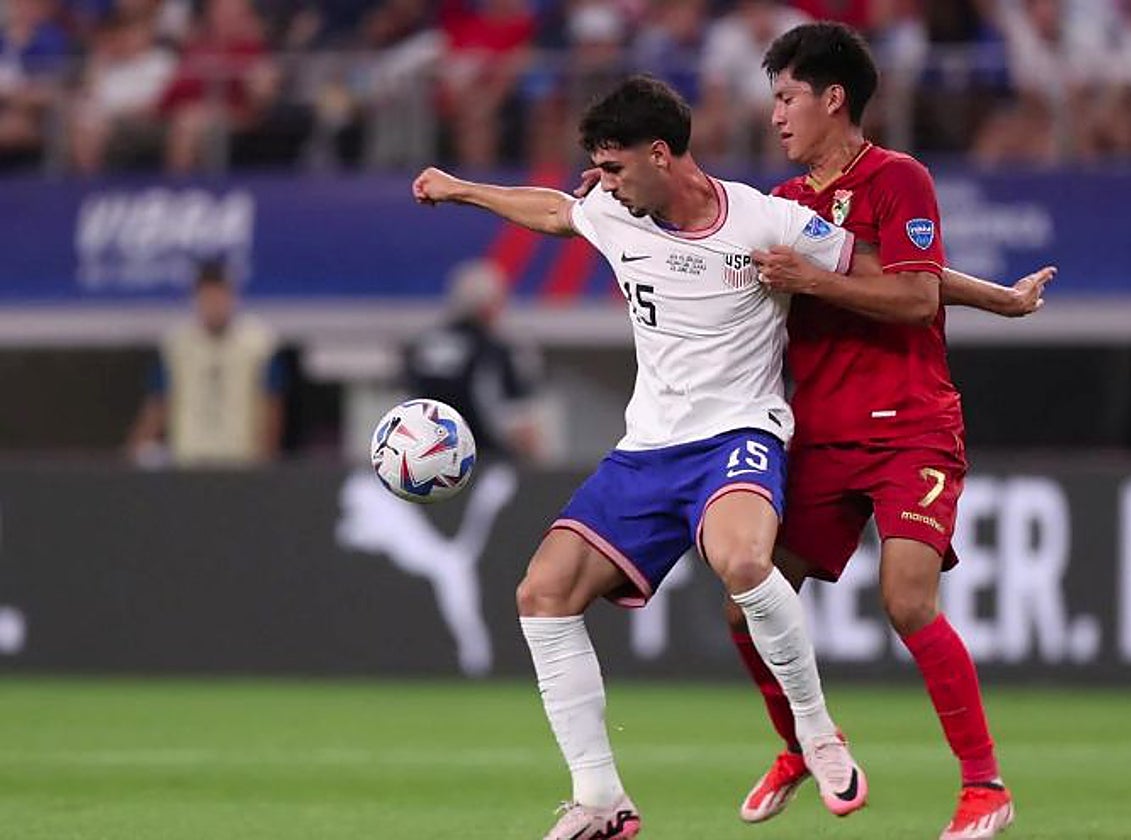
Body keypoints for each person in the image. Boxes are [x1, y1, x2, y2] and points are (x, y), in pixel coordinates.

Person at [412, 75, 871, 839]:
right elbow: (554, 211)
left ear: (661, 154)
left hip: (739, 434)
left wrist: (989, 297)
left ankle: (818, 732)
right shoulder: (612, 210)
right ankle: (602, 801)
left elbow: (884, 276)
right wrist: (462, 190)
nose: (603, 183)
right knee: (542, 592)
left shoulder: (769, 220)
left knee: (743, 562)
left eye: (615, 167)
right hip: (647, 450)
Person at [729, 22, 1052, 840]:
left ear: (833, 98)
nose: (775, 115)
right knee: (746, 605)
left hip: (910, 426)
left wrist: (808, 280)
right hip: (821, 433)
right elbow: (901, 272)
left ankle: (984, 787)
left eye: (787, 97)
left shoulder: (897, 178)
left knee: (907, 599)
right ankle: (802, 746)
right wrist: (1001, 298)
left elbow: (912, 294)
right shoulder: (785, 203)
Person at [126, 259, 285, 467]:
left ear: (232, 297)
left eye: (220, 297)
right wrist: (136, 449)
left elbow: (271, 407)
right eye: (207, 298)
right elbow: (158, 405)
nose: (214, 306)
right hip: (189, 462)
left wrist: (265, 460)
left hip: (240, 463)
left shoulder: (259, 344)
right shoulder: (176, 345)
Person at [403, 257, 545, 463]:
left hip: (424, 458)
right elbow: (512, 417)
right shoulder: (494, 349)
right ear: (488, 306)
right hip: (481, 457)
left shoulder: (422, 344)